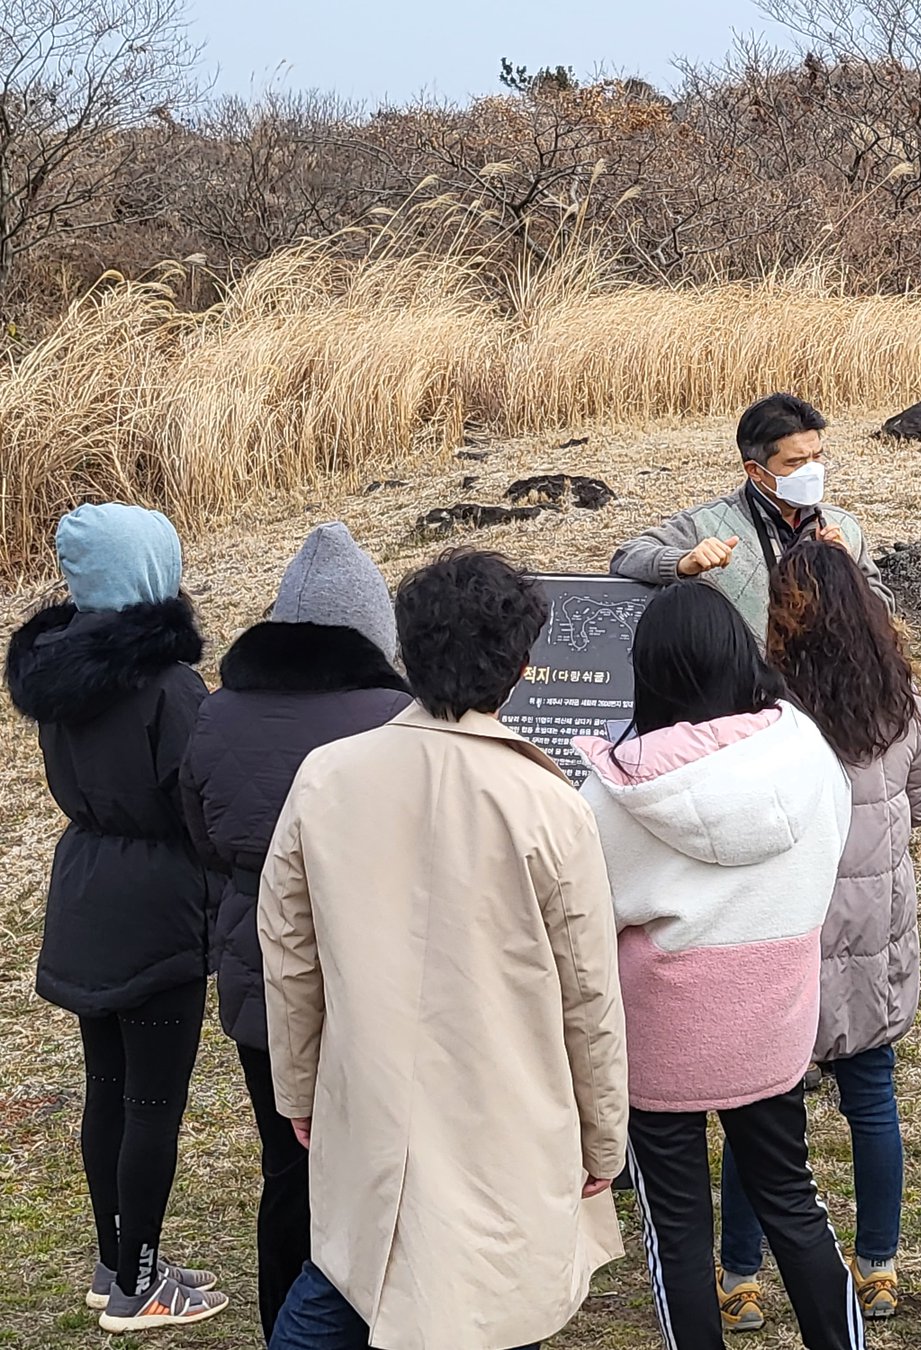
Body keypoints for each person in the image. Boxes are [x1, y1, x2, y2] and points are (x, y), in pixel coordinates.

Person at [259, 549, 629, 1350]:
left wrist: (299, 1090)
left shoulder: (326, 777)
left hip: (368, 1090)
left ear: (405, 651)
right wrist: (604, 1135)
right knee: (490, 1302)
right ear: (523, 666)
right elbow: (589, 994)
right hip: (509, 1108)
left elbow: (288, 953)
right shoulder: (549, 805)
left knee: (349, 1279)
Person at [575, 581, 862, 1350]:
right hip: (772, 1021)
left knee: (676, 1228)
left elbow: (586, 919)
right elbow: (830, 854)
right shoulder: (807, 753)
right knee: (792, 1199)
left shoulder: (614, 796)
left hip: (660, 1040)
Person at [179, 524, 412, 1341]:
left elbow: (201, 836)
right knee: (382, 1161)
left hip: (257, 965)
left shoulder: (216, 713)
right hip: (372, 967)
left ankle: (287, 1320)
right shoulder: (399, 717)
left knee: (288, 1163)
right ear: (374, 627)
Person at [4, 503, 228, 1332]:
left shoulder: (57, 671)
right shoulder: (169, 685)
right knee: (152, 1103)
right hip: (158, 900)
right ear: (148, 571)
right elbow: (196, 797)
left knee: (106, 1087)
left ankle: (115, 1260)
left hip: (85, 883)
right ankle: (140, 1286)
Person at [716, 540, 921, 1328]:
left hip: (790, 921)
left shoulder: (767, 710)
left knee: (765, 1106)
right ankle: (878, 1264)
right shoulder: (897, 696)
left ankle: (739, 1276)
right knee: (873, 1099)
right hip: (876, 925)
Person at [609, 392, 892, 637]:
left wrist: (846, 572)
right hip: (749, 690)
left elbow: (883, 610)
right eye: (795, 462)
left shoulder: (843, 526)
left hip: (829, 689)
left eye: (816, 457)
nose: (811, 470)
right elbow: (626, 556)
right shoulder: (708, 523)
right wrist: (685, 562)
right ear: (755, 471)